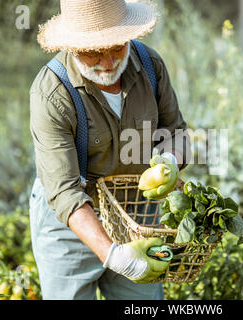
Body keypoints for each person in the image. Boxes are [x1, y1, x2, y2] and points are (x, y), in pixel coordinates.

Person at [29, 0, 190, 300]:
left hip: (135, 213)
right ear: (72, 46)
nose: (107, 62)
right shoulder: (52, 93)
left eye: (116, 47)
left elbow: (175, 132)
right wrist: (117, 257)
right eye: (92, 52)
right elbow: (65, 193)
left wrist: (169, 161)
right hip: (72, 221)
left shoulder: (149, 66)